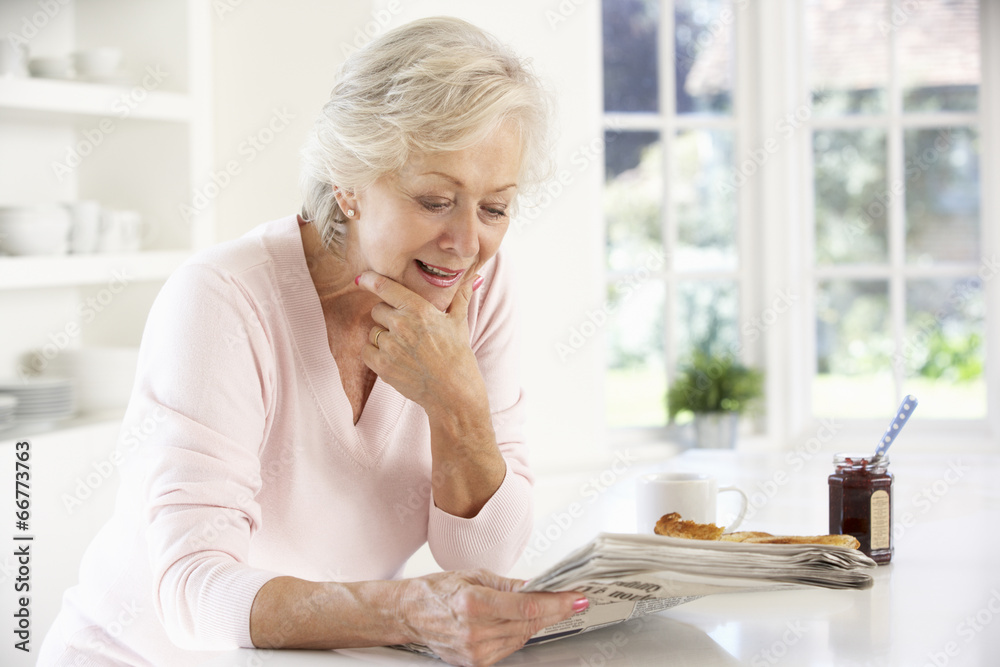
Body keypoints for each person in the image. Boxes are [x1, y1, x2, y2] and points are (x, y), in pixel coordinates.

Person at [39, 16, 587, 667]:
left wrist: (455, 403)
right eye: (436, 199)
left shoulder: (480, 290)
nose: (468, 244)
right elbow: (192, 591)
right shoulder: (223, 299)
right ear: (348, 181)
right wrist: (406, 610)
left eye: (494, 208)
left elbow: (482, 555)